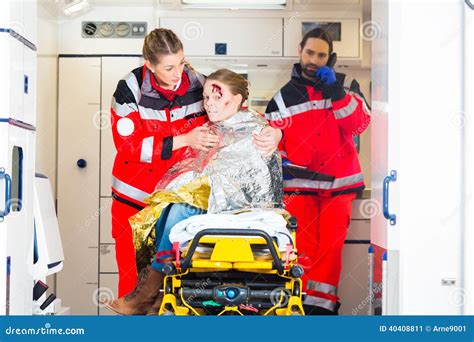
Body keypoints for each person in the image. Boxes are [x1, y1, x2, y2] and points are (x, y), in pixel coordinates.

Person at [110, 29, 282, 297]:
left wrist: (275, 132)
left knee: (175, 284)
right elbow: (128, 147)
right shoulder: (129, 91)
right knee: (133, 282)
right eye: (169, 67)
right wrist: (184, 139)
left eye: (181, 62)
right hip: (135, 200)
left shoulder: (197, 83)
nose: (178, 72)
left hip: (177, 199)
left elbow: (232, 109)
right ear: (150, 66)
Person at [265, 28, 371, 315]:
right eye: (310, 52)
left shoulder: (346, 84)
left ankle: (322, 312)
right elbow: (272, 146)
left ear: (330, 57)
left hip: (340, 185)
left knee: (330, 250)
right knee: (303, 251)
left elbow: (358, 124)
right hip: (300, 187)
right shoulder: (283, 98)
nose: (314, 60)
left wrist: (335, 92)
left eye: (321, 55)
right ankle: (300, 310)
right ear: (300, 51)